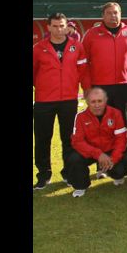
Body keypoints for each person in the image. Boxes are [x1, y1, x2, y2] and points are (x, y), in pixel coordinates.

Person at [33, 13, 89, 189]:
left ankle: (69, 173)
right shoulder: (37, 48)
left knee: (69, 139)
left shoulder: (77, 46)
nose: (59, 29)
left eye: (62, 26)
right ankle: (43, 175)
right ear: (48, 27)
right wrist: (43, 87)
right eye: (55, 26)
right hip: (44, 100)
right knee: (42, 139)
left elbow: (83, 71)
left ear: (67, 26)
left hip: (69, 100)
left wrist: (86, 91)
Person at [81, 2, 127, 122]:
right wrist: (87, 87)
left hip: (125, 86)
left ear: (120, 14)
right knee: (101, 122)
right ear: (102, 16)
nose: (113, 15)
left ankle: (124, 142)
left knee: (125, 122)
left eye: (116, 12)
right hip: (100, 86)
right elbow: (83, 64)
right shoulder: (91, 34)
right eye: (109, 13)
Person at [66, 87, 127, 197]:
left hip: (110, 151)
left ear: (105, 100)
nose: (97, 105)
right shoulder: (80, 117)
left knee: (120, 170)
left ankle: (116, 174)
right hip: (90, 152)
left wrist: (113, 158)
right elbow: (77, 141)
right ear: (87, 102)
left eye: (100, 101)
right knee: (74, 158)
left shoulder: (116, 113)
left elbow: (121, 139)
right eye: (93, 102)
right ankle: (81, 186)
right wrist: (98, 154)